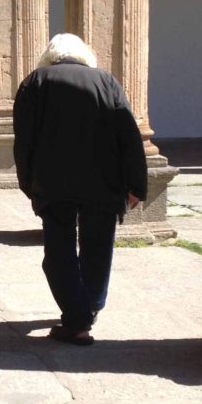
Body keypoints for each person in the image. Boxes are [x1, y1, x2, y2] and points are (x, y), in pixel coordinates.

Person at [13, 33, 147, 346]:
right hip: (103, 182)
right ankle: (90, 306)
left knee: (58, 252)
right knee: (98, 247)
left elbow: (24, 140)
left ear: (50, 55)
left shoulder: (35, 83)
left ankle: (77, 320)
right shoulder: (106, 82)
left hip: (54, 182)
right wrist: (136, 184)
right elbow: (128, 134)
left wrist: (28, 183)